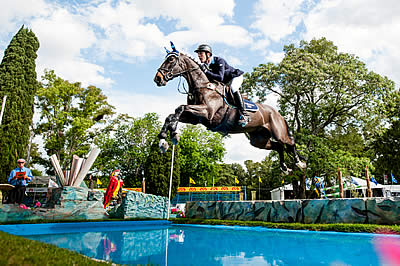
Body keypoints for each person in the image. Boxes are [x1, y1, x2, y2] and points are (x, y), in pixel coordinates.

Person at [194, 44, 250, 126]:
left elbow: (220, 77)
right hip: (225, 81)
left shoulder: (219, 61)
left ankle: (244, 114)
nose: (199, 56)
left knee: (233, 88)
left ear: (208, 54)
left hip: (235, 77)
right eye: (198, 54)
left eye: (201, 53)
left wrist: (206, 72)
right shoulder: (205, 65)